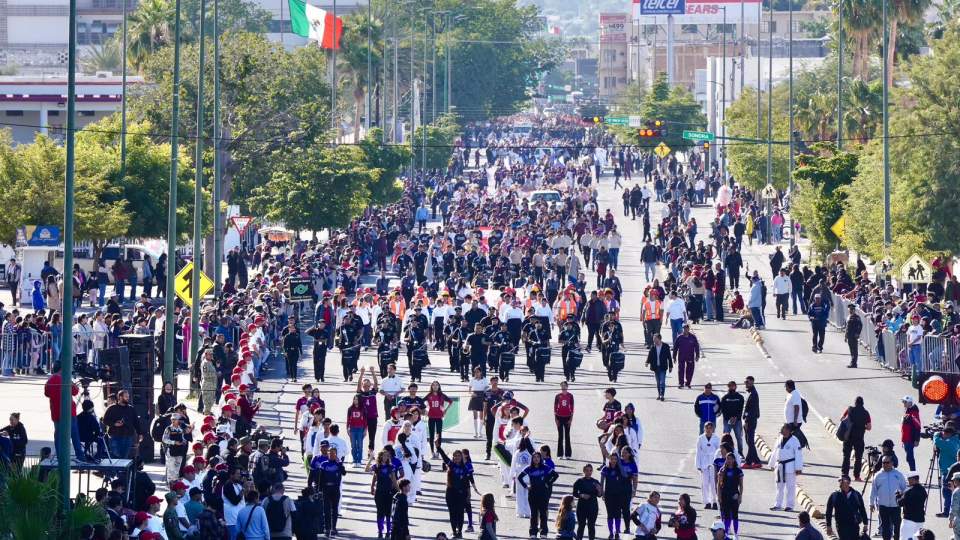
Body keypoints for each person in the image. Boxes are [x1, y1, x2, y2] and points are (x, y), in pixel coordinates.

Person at [518, 450, 559, 538]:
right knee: (533, 514)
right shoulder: (529, 468)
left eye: (538, 457)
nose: (536, 459)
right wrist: (526, 486)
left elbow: (555, 475)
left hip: (543, 493)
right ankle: (533, 532)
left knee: (543, 513)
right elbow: (519, 477)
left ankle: (543, 532)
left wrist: (548, 483)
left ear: (540, 458)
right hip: (532, 494)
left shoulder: (545, 467)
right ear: (532, 459)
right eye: (534, 457)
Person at [769, 423, 804, 511]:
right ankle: (778, 504)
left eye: (783, 428)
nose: (781, 430)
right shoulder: (779, 439)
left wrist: (798, 468)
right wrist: (772, 464)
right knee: (779, 486)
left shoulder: (794, 440)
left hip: (790, 466)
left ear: (788, 430)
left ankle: (790, 505)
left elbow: (799, 455)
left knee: (790, 486)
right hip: (780, 465)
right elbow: (774, 452)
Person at [871, 455, 907, 540]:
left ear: (892, 463)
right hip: (883, 506)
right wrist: (871, 503)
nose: (885, 464)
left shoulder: (898, 475)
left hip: (895, 506)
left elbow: (905, 489)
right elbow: (873, 490)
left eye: (887, 462)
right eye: (883, 463)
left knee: (897, 526)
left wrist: (905, 501)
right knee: (885, 528)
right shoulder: (878, 475)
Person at [826, 475, 868, 540]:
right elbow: (829, 511)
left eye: (842, 481)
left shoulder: (856, 495)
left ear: (848, 483)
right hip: (841, 526)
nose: (840, 483)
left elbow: (862, 509)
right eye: (840, 481)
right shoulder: (835, 495)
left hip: (854, 525)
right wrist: (828, 525)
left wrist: (865, 523)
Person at [840, 396, 872, 481]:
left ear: (855, 403)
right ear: (863, 403)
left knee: (846, 456)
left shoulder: (850, 409)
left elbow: (842, 419)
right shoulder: (866, 413)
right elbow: (869, 427)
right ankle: (857, 476)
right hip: (859, 438)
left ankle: (844, 475)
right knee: (858, 458)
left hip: (848, 437)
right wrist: (862, 426)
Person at [934, 424, 960, 515]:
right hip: (955, 470)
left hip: (948, 471)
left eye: (943, 433)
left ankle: (947, 511)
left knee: (946, 491)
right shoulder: (957, 441)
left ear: (948, 434)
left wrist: (936, 435)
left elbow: (937, 441)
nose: (942, 435)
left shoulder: (948, 443)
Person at [572, 463, 602, 540]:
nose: (589, 472)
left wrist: (599, 490)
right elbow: (574, 493)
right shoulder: (579, 481)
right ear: (584, 471)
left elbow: (599, 495)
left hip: (593, 507)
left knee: (591, 526)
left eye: (590, 470)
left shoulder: (595, 481)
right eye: (587, 470)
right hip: (582, 506)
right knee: (581, 525)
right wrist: (581, 495)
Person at [717, 452, 743, 538]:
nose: (729, 460)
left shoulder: (738, 470)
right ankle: (726, 533)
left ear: (734, 459)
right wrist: (719, 496)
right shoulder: (722, 470)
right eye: (728, 459)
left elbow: (741, 485)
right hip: (725, 496)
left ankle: (736, 534)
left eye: (731, 458)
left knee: (735, 515)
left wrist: (740, 496)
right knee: (726, 515)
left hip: (734, 495)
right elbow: (719, 485)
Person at [696, 422, 720, 510]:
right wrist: (698, 465)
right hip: (704, 462)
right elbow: (698, 452)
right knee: (704, 483)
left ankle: (714, 502)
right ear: (704, 429)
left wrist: (718, 464)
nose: (708, 430)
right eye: (707, 428)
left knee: (714, 483)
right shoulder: (701, 438)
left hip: (713, 463)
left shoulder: (716, 438)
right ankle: (707, 502)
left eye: (710, 428)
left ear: (713, 429)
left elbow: (719, 452)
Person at [897, 470, 927, 540]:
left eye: (909, 479)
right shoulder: (923, 490)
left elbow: (900, 503)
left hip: (908, 520)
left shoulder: (909, 491)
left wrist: (898, 496)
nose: (908, 481)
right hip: (920, 520)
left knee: (904, 538)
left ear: (913, 479)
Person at [672, 323, 700, 389]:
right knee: (681, 370)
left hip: (690, 356)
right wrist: (674, 357)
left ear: (689, 329)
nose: (686, 330)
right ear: (683, 329)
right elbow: (675, 348)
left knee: (690, 370)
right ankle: (681, 383)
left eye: (687, 328)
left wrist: (697, 355)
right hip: (681, 356)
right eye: (684, 329)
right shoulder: (679, 337)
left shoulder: (693, 337)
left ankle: (688, 382)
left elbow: (696, 346)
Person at [645, 334, 672, 401]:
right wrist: (647, 362)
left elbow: (669, 357)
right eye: (653, 339)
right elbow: (650, 355)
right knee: (658, 382)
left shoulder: (665, 346)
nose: (654, 340)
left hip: (663, 367)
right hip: (656, 367)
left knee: (662, 382)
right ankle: (659, 394)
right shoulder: (653, 347)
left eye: (655, 339)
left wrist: (670, 366)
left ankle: (662, 395)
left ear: (659, 339)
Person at [554, 381, 575, 460]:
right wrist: (556, 419)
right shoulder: (558, 396)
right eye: (562, 386)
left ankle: (568, 454)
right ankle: (560, 454)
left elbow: (572, 408)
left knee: (567, 436)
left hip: (567, 417)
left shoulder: (570, 396)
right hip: (559, 417)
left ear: (567, 387)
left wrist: (571, 419)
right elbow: (555, 408)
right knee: (560, 436)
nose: (563, 387)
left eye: (564, 386)